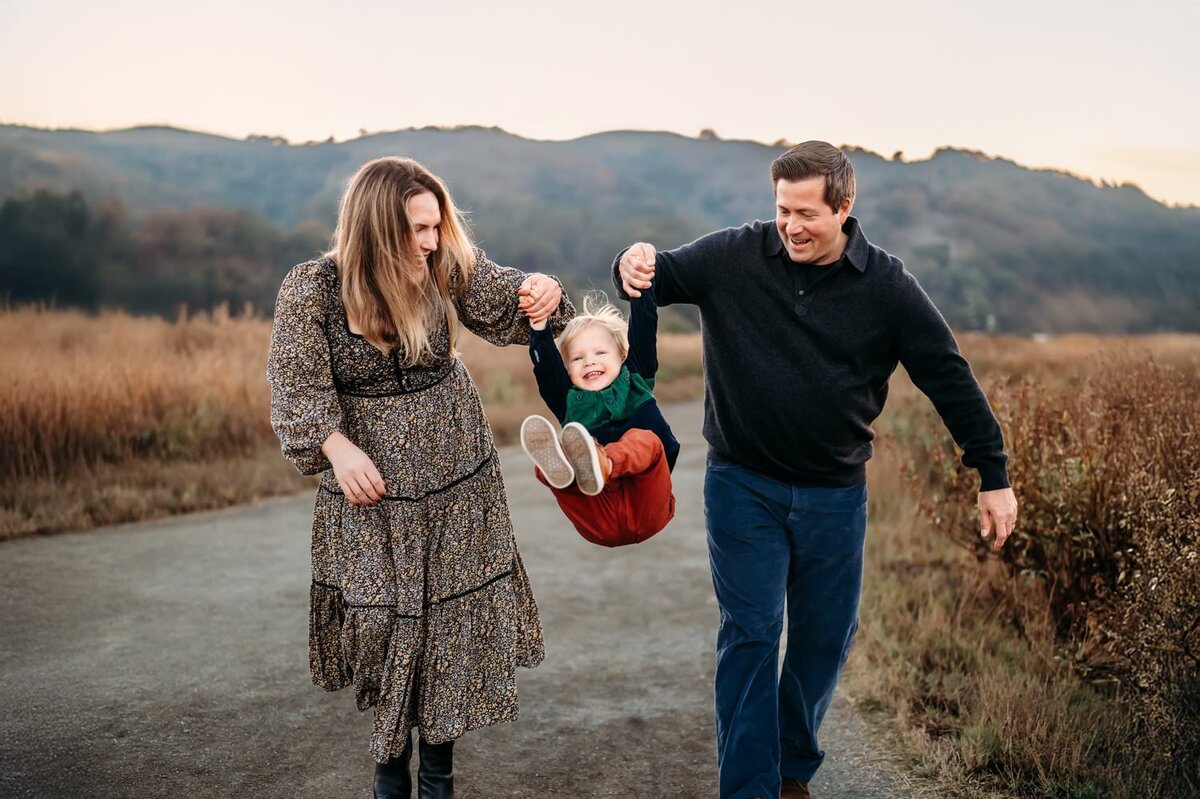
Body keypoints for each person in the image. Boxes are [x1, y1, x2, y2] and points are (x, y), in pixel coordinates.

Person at [613, 141, 1019, 799]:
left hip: (835, 494)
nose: (793, 225)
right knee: (752, 632)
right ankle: (748, 788)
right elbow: (653, 277)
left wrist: (993, 473)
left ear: (844, 208)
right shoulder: (733, 255)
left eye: (807, 212)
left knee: (825, 639)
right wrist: (630, 263)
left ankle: (790, 766)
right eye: (783, 210)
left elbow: (948, 375)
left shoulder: (887, 286)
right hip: (743, 483)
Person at [266, 156, 573, 799]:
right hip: (369, 483)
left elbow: (514, 304)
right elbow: (295, 390)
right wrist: (335, 446)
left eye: (436, 227)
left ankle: (435, 777)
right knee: (383, 623)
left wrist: (543, 292)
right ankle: (388, 766)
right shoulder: (313, 289)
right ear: (375, 226)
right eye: (415, 229)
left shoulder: (443, 265)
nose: (430, 242)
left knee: (443, 628)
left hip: (456, 474)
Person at [518, 288, 678, 547]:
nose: (589, 362)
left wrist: (641, 290)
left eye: (600, 353)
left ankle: (603, 463)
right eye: (577, 358)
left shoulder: (636, 379)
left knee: (644, 440)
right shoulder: (567, 400)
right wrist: (538, 327)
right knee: (565, 449)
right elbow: (546, 365)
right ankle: (561, 471)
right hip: (597, 513)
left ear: (623, 357)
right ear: (567, 371)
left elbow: (645, 329)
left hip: (646, 503)